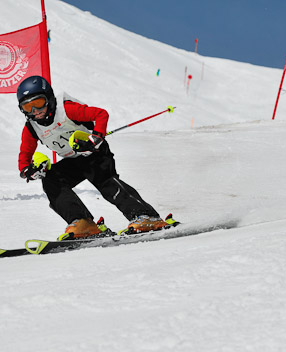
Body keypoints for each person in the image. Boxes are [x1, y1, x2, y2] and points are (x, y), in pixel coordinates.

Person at [16, 75, 170, 240]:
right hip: (73, 159)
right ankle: (82, 223)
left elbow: (101, 114)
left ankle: (146, 217)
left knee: (105, 182)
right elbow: (25, 154)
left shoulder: (66, 109)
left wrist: (96, 138)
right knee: (51, 179)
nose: (35, 111)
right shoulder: (32, 128)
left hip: (93, 152)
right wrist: (27, 171)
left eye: (38, 103)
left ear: (49, 98)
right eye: (27, 107)